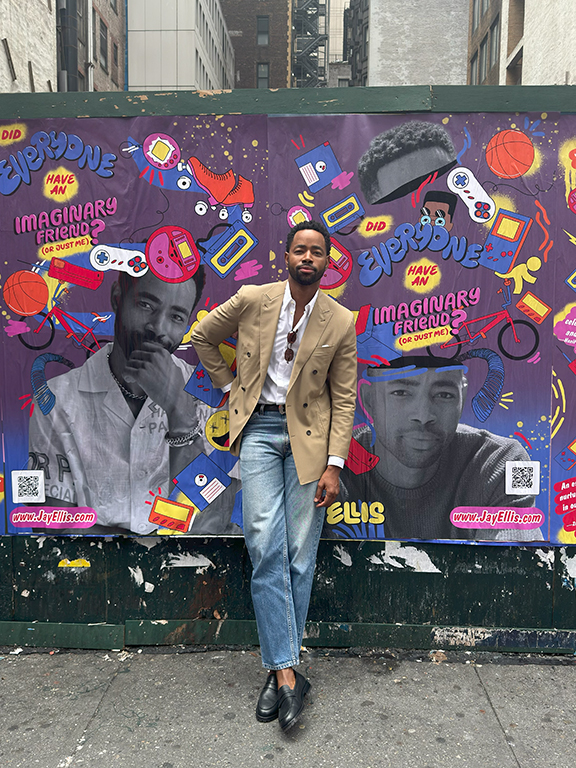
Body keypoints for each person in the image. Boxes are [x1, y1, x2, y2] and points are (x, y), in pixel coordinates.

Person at [191, 221, 357, 731]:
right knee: (265, 544)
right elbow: (200, 336)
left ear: (328, 262)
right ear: (285, 256)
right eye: (300, 249)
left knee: (300, 557)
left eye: (317, 252)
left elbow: (345, 396)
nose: (308, 257)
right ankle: (288, 675)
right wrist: (229, 386)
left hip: (310, 441)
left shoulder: (340, 320)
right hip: (259, 431)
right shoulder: (252, 299)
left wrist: (334, 464)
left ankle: (280, 669)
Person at [28, 267, 240, 536]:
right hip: (92, 574)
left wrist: (180, 415)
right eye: (146, 304)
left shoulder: (213, 399)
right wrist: (142, 549)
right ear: (117, 297)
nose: (157, 328)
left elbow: (218, 520)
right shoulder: (56, 398)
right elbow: (48, 521)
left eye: (176, 316)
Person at [334, 354, 543, 542]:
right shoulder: (332, 462)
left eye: (444, 395)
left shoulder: (507, 461)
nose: (424, 416)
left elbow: (518, 569)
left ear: (462, 399)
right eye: (401, 392)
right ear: (369, 401)